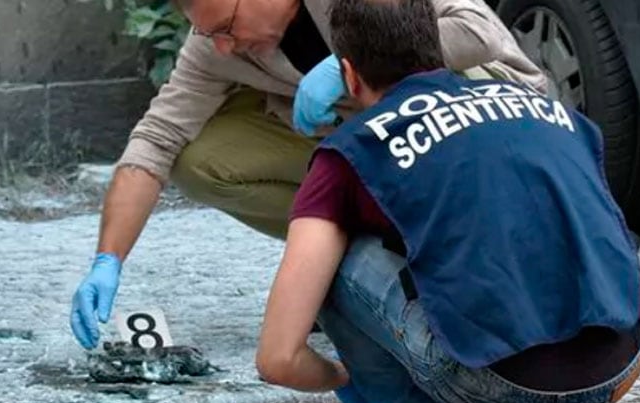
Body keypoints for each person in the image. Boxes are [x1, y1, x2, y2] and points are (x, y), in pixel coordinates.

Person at [254, 0, 640, 403]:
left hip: (496, 383)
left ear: (347, 74)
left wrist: (351, 374)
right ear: (438, 44)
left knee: (332, 260)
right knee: (553, 214)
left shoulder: (354, 150)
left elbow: (278, 357)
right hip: (623, 360)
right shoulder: (554, 112)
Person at [69, 0, 548, 350]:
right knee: (197, 156)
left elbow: (478, 32)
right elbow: (156, 139)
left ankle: (482, 264)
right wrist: (108, 260)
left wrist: (355, 65)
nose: (221, 45)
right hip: (368, 138)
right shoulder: (218, 47)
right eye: (209, 33)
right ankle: (362, 266)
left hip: (473, 112)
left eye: (227, 27)